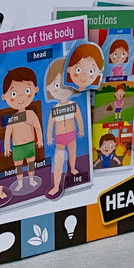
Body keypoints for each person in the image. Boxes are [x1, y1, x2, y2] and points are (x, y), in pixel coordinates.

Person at [45, 59, 85, 197]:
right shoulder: (54, 109)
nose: (62, 90)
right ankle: (56, 186)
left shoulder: (73, 105)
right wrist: (49, 136)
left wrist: (81, 129)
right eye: (57, 85)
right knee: (59, 160)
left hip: (72, 135)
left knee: (73, 153)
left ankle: (72, 168)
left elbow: (79, 117)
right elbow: (50, 123)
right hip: (60, 138)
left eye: (65, 85)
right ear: (49, 88)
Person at [1, 67, 43, 192]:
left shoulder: (31, 114)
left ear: (35, 90)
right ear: (4, 97)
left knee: (31, 163)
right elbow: (7, 134)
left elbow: (38, 128)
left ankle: (31, 179)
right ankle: (19, 183)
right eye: (14, 94)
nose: (20, 97)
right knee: (18, 166)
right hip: (17, 147)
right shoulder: (12, 118)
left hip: (29, 144)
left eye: (27, 91)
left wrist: (40, 140)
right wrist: (7, 147)